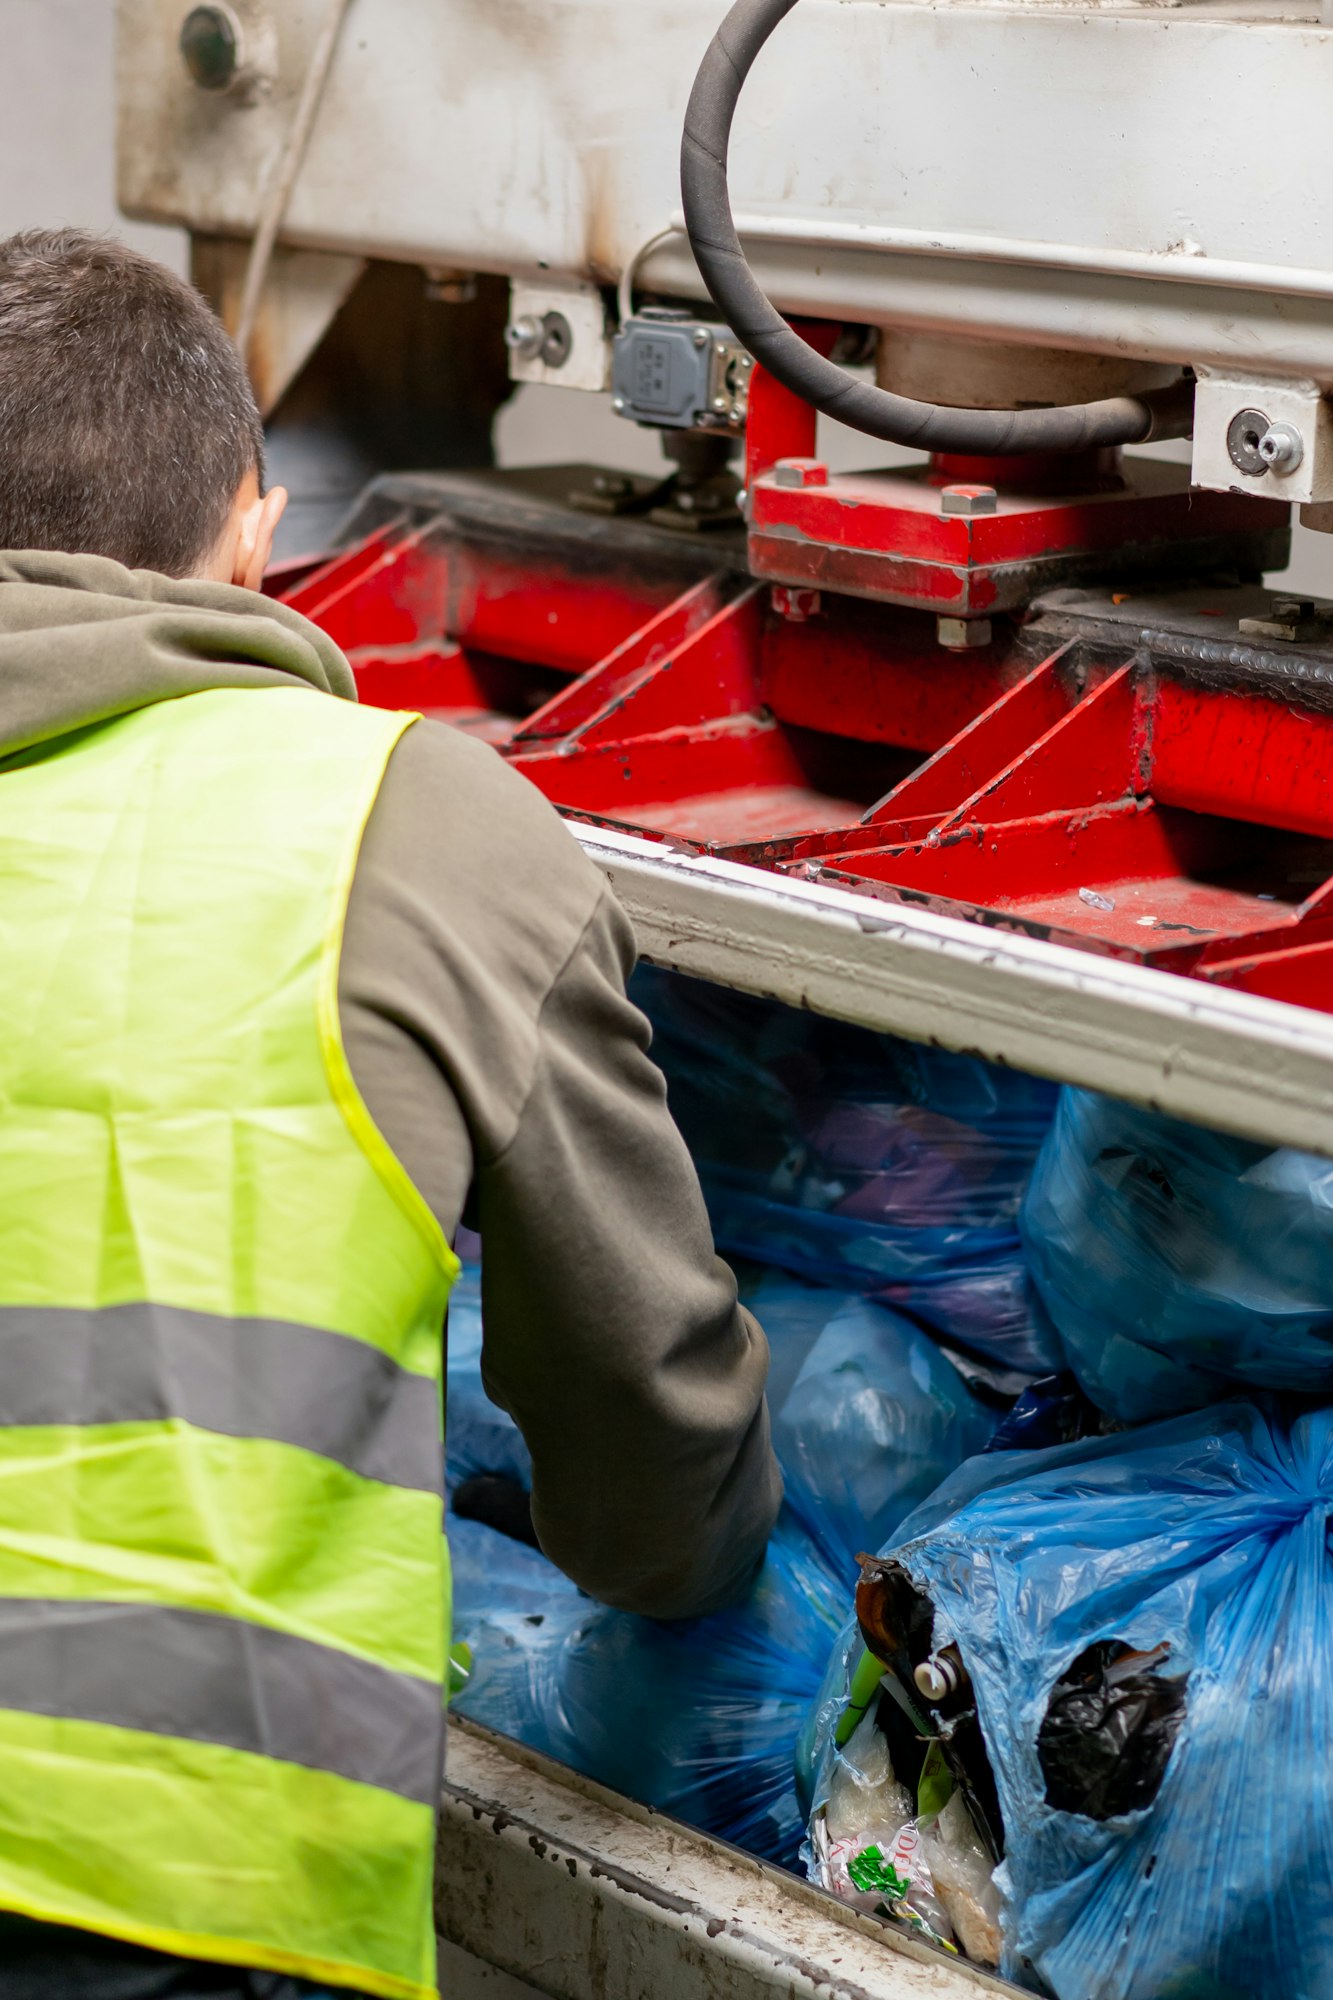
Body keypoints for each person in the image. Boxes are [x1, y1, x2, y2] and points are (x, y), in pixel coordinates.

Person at [0, 229, 780, 2000]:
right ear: (253, 531)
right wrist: (708, 1576)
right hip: (156, 1883)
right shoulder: (403, 829)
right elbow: (646, 1451)